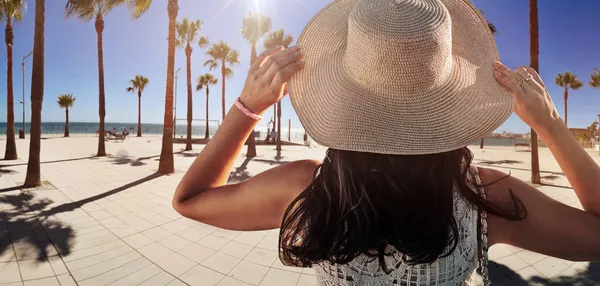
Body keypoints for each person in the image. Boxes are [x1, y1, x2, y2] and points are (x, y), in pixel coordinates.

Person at [173, 0, 600, 285]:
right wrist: (551, 126)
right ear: (448, 94)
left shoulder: (307, 190)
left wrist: (248, 107)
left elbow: (189, 200)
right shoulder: (483, 201)